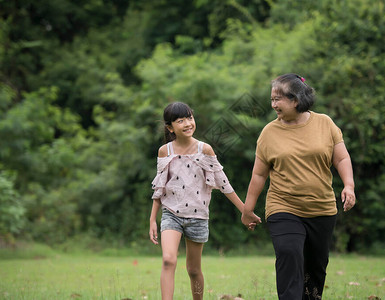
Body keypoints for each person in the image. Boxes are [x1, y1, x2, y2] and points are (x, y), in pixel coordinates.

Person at [241, 73, 356, 299]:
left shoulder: (325, 123)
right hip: (283, 206)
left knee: (315, 268)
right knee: (288, 252)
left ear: (296, 100)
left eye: (278, 99)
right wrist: (248, 209)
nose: (273, 104)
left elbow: (341, 159)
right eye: (272, 99)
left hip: (321, 208)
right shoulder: (269, 132)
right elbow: (258, 174)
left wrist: (349, 185)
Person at [149, 102, 260, 300]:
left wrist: (245, 211)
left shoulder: (205, 149)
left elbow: (224, 184)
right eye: (180, 121)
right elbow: (160, 188)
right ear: (170, 127)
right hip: (171, 214)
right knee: (168, 260)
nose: (187, 123)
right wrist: (152, 220)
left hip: (198, 217)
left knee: (193, 270)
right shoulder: (165, 151)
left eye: (190, 118)